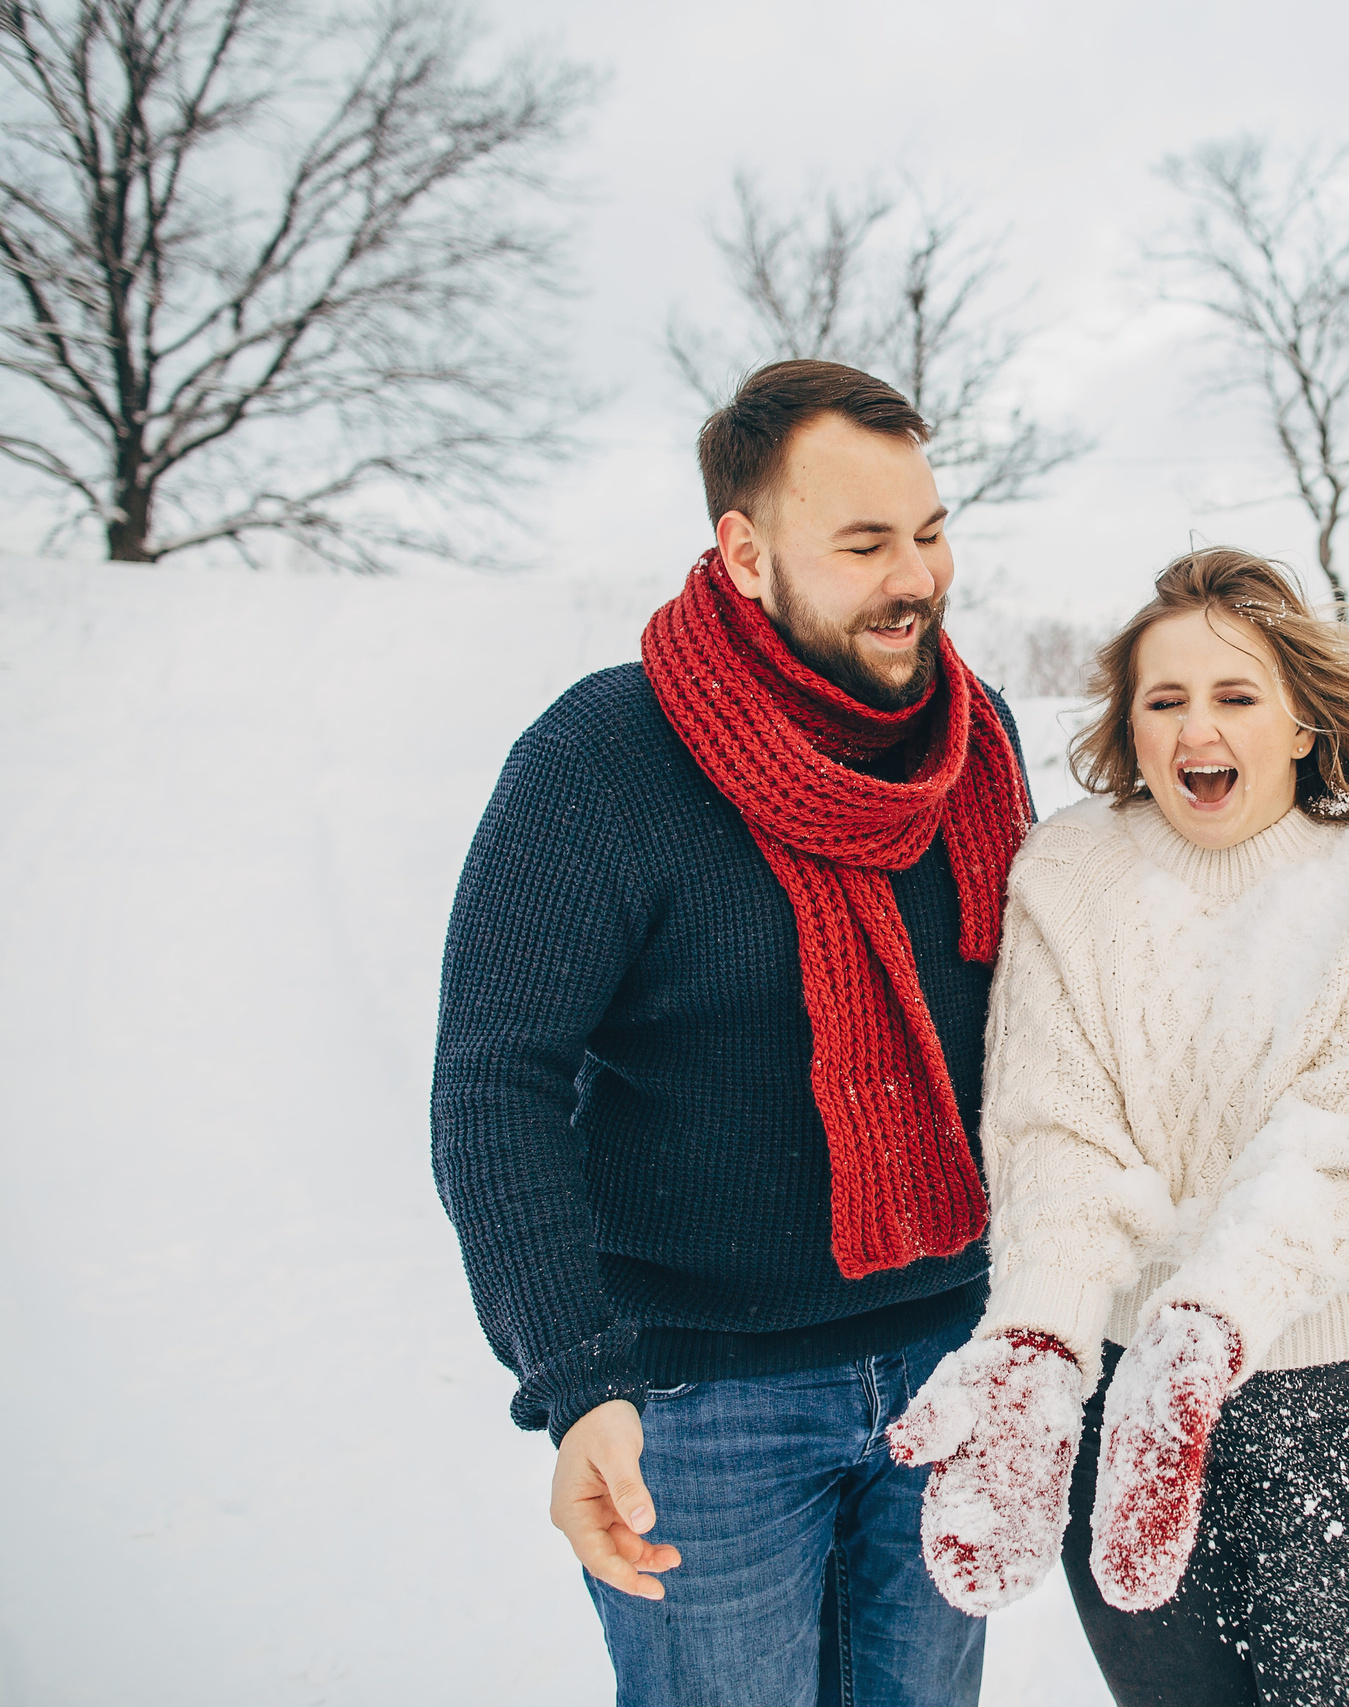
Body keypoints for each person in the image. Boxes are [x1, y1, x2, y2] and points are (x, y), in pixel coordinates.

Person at [431, 359, 1031, 1705]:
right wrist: (575, 1378)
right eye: (865, 544)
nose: (916, 579)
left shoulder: (972, 743)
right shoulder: (603, 760)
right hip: (703, 1407)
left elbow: (1034, 1028)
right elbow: (493, 1084)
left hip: (951, 1356)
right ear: (747, 554)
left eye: (931, 532)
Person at [888, 548, 1349, 1705]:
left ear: (1302, 722)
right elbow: (1054, 1132)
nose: (1195, 727)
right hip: (1126, 1399)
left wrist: (1210, 1326)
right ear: (1131, 725)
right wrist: (1041, 1340)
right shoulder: (1068, 871)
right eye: (1163, 700)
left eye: (1235, 695)